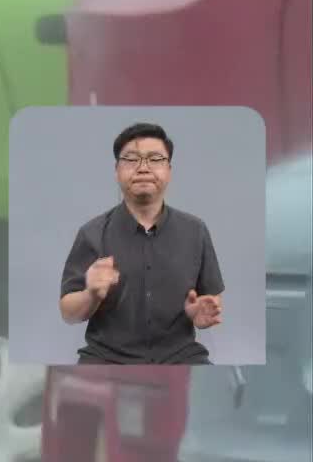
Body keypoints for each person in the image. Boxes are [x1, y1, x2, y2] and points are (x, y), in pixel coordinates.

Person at [58, 121, 225, 364]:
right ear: (117, 170)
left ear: (169, 169)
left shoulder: (195, 231)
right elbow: (68, 313)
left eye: (155, 159)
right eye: (131, 159)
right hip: (107, 357)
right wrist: (91, 294)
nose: (143, 168)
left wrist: (197, 312)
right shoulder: (92, 233)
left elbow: (212, 297)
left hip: (179, 355)